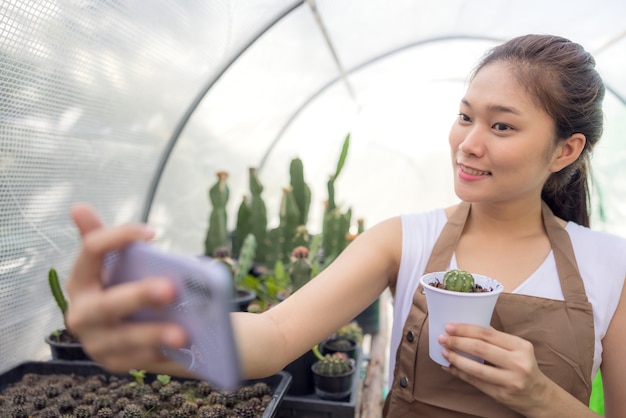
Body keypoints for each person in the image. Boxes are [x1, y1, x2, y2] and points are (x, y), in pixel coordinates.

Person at [66, 34, 626, 417]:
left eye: (502, 126)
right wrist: (139, 329)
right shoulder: (405, 239)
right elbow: (272, 338)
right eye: (464, 116)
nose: (468, 143)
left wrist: (538, 397)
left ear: (565, 150)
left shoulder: (610, 267)